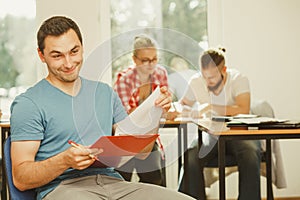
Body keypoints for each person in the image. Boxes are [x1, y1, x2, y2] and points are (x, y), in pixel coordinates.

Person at [9, 16, 195, 200]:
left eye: (74, 51)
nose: (68, 63)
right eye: (57, 55)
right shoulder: (28, 104)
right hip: (63, 188)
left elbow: (143, 152)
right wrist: (64, 160)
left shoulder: (105, 93)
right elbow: (21, 179)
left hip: (114, 183)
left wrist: (156, 114)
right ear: (41, 55)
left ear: (82, 48)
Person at [178, 47, 261, 200]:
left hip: (239, 133)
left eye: (213, 76)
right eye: (205, 76)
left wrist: (210, 106)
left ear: (224, 69)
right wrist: (185, 110)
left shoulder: (238, 79)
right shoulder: (197, 81)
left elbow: (243, 108)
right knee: (191, 154)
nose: (208, 81)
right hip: (212, 135)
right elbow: (183, 104)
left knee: (250, 152)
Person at [113, 34, 168, 186]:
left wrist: (165, 108)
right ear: (135, 59)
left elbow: (163, 110)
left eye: (154, 59)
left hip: (149, 135)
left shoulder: (160, 73)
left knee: (155, 179)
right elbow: (125, 118)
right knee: (122, 182)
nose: (151, 64)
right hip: (125, 137)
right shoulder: (124, 79)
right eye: (145, 60)